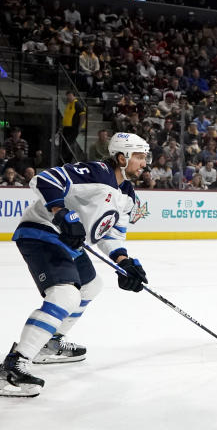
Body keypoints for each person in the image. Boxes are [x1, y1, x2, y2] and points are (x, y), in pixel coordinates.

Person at [1, 133, 151, 397]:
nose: (144, 163)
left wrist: (123, 262)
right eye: (139, 157)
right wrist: (62, 213)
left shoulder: (127, 195)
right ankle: (13, 366)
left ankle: (50, 343)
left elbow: (111, 235)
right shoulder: (97, 171)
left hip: (70, 244)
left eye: (144, 157)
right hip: (42, 231)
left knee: (92, 286)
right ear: (121, 157)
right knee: (65, 295)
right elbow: (45, 179)